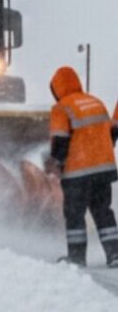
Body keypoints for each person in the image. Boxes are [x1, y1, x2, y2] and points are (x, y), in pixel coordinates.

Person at [46, 66, 118, 267]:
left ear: (57, 88)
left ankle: (77, 258)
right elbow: (110, 133)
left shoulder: (61, 108)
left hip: (77, 173)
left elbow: (60, 140)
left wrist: (56, 164)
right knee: (103, 212)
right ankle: (115, 254)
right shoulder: (96, 103)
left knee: (75, 215)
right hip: (103, 170)